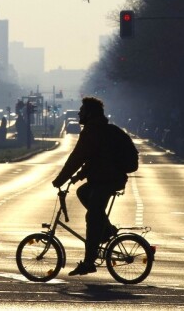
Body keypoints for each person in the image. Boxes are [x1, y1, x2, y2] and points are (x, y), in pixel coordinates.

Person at [52, 96, 132, 276]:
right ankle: (108, 230)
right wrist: (77, 178)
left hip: (107, 180)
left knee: (93, 217)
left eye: (82, 110)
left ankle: (89, 262)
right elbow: (93, 160)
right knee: (83, 192)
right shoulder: (100, 130)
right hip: (106, 178)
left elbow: (77, 158)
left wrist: (60, 180)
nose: (79, 113)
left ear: (89, 113)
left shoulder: (92, 131)